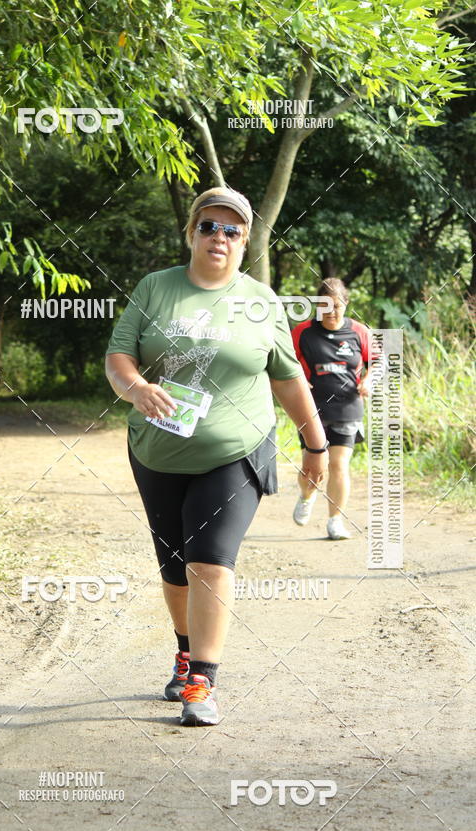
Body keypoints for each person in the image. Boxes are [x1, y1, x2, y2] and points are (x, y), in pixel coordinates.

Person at [105, 187, 328, 726]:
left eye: (233, 230)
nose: (220, 238)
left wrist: (315, 444)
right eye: (210, 226)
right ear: (192, 232)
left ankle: (202, 681)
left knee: (209, 560)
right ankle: (185, 651)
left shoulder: (261, 300)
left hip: (237, 449)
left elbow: (287, 377)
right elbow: (118, 357)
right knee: (175, 568)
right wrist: (135, 389)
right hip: (157, 449)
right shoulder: (155, 289)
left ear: (245, 240)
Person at [291, 278, 377, 540]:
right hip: (312, 409)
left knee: (339, 465)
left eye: (336, 307)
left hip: (348, 407)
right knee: (314, 468)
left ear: (346, 304)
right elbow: (286, 362)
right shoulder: (303, 332)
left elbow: (378, 362)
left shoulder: (360, 332)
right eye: (325, 307)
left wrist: (369, 380)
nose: (331, 313)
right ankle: (306, 496)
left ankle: (335, 521)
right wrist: (299, 379)